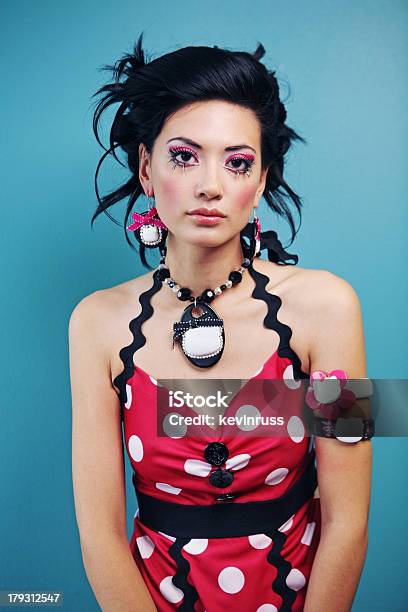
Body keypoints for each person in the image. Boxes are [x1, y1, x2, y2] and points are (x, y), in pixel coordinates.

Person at [69, 32, 373, 612]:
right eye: (184, 156)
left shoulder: (329, 308)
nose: (211, 184)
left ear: (259, 184)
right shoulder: (97, 324)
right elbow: (99, 535)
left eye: (238, 163)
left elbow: (349, 520)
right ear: (146, 168)